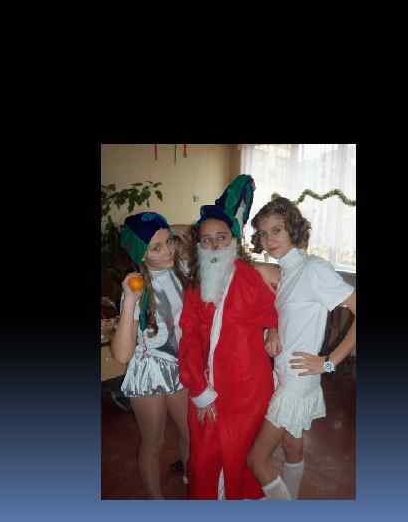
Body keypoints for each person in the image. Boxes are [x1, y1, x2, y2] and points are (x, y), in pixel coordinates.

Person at [246, 196, 357, 500]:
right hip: (284, 373)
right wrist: (272, 329)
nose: (269, 239)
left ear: (293, 230)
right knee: (291, 446)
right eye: (263, 233)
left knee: (257, 460)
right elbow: (286, 313)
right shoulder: (285, 273)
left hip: (297, 380)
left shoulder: (313, 269)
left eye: (277, 230)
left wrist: (328, 362)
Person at [178, 175, 279, 500]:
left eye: (221, 238)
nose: (214, 245)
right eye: (207, 240)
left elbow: (277, 311)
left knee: (243, 459)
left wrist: (275, 329)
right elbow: (189, 339)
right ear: (199, 245)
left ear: (233, 240)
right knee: (205, 461)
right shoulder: (195, 287)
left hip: (249, 392)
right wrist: (200, 390)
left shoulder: (252, 278)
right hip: (207, 389)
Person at [111, 211, 190, 499]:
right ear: (141, 254)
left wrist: (164, 231)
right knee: (154, 443)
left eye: (169, 242)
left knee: (190, 434)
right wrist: (129, 301)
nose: (167, 251)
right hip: (150, 369)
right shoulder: (137, 287)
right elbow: (122, 354)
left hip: (182, 365)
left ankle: (193, 482)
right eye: (156, 248)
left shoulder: (182, 269)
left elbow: (193, 232)